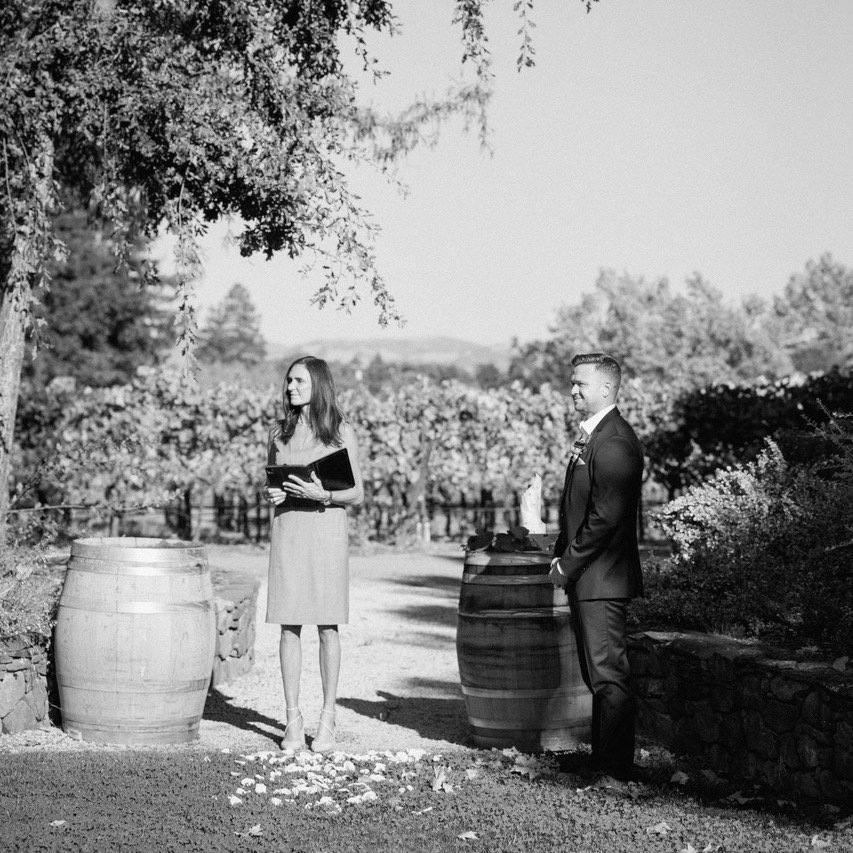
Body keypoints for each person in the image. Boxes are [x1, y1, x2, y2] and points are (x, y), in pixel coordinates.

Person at [548, 352, 644, 784]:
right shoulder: (594, 437)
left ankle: (615, 770)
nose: (572, 391)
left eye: (579, 384)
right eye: (572, 383)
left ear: (605, 388)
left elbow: (606, 517)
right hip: (589, 578)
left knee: (609, 677)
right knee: (597, 676)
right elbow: (580, 507)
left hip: (602, 578)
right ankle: (603, 761)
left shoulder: (615, 441)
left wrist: (566, 564)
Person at [263, 356, 364, 752]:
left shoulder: (341, 432)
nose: (291, 387)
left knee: (327, 626)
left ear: (318, 384)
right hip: (288, 531)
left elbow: (356, 492)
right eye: (288, 381)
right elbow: (275, 482)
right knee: (288, 626)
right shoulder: (278, 434)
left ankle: (327, 718)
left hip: (326, 533)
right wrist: (274, 493)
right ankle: (292, 720)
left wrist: (324, 494)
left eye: (299, 381)